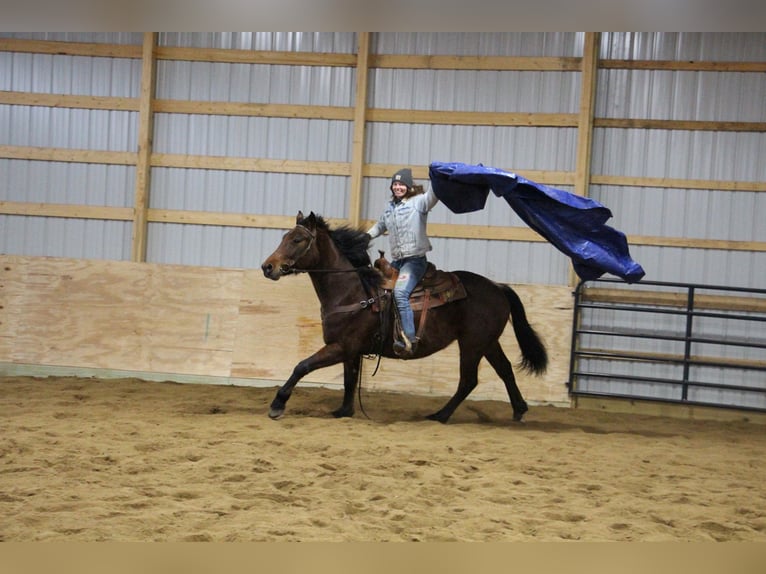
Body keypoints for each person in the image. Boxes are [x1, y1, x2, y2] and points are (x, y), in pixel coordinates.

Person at [367, 168, 439, 357]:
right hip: (398, 261)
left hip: (414, 262)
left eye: (401, 184)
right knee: (377, 291)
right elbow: (380, 225)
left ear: (408, 186)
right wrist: (365, 237)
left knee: (400, 293)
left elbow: (433, 196)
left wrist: (438, 178)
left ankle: (408, 338)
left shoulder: (419, 202)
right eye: (395, 184)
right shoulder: (390, 208)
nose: (398, 187)